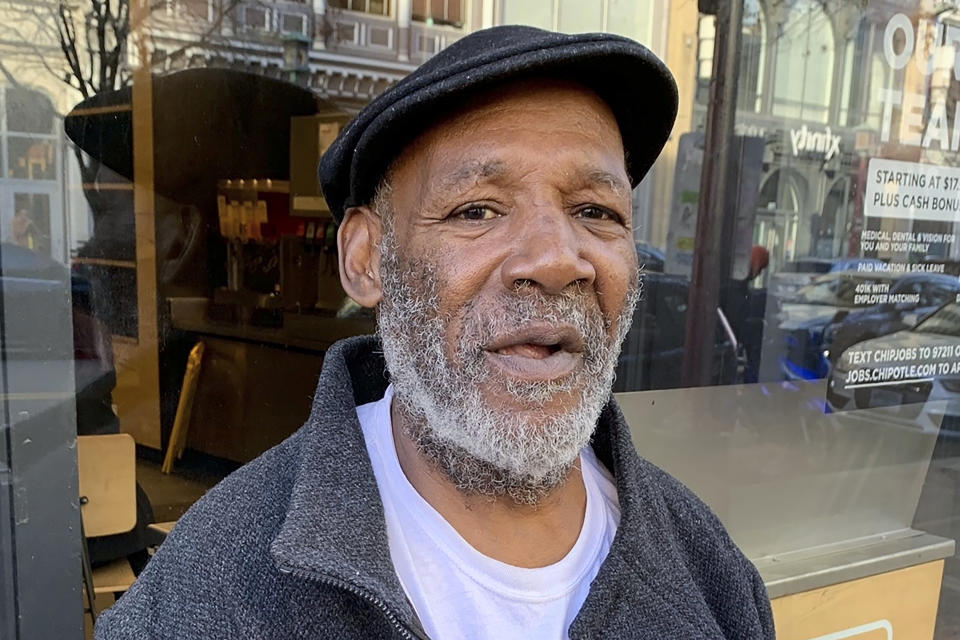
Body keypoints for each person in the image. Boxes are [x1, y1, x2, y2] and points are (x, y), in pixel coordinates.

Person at [96, 26, 774, 639]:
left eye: (596, 210)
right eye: (477, 210)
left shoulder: (711, 577)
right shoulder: (213, 592)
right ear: (367, 260)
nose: (556, 258)